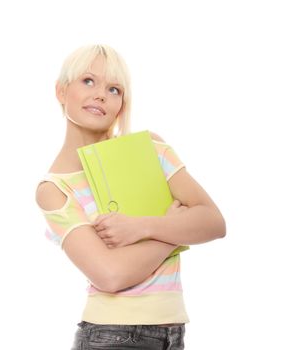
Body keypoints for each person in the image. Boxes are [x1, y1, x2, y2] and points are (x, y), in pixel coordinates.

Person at [35, 44, 226, 350]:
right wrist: (172, 230)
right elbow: (110, 275)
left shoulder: (148, 149)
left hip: (173, 333)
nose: (100, 94)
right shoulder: (55, 189)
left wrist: (143, 227)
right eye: (88, 81)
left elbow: (213, 222)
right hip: (110, 336)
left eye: (114, 88)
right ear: (61, 91)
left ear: (122, 103)